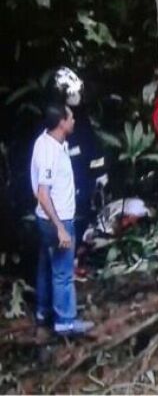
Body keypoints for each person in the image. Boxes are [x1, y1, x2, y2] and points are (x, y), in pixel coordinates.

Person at [31, 103, 93, 336]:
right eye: (71, 117)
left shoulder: (47, 141)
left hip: (45, 218)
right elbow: (43, 193)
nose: (74, 120)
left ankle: (43, 312)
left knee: (46, 266)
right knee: (63, 273)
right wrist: (60, 228)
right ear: (61, 123)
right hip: (57, 220)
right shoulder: (49, 152)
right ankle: (65, 322)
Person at [48, 67, 108, 251]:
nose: (78, 95)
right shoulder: (52, 122)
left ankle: (80, 252)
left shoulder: (80, 118)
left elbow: (92, 147)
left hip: (83, 182)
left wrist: (100, 173)